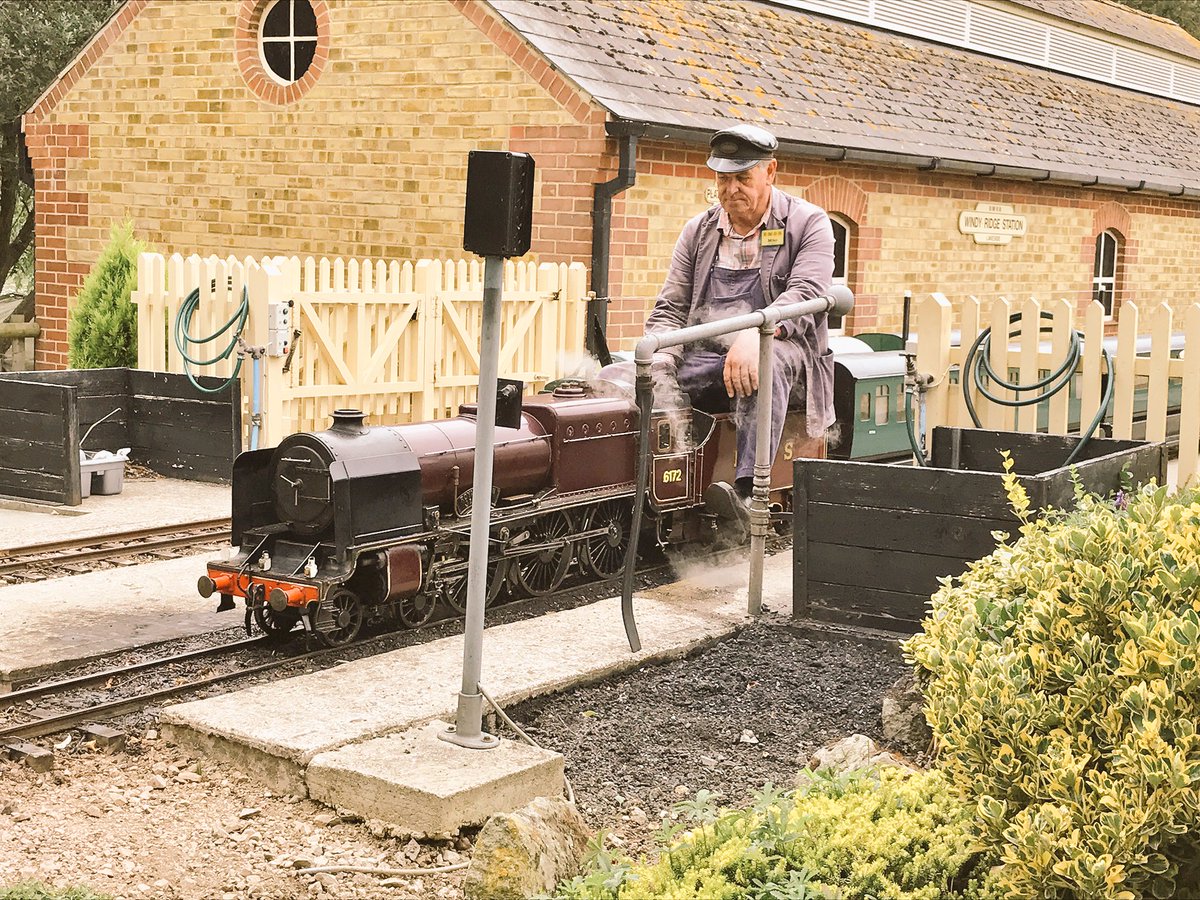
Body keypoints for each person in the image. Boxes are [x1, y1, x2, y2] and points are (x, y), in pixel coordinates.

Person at [643, 123, 836, 514]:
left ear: (771, 171)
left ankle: (751, 490)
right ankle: (656, 482)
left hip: (787, 350)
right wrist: (658, 360)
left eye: (743, 178)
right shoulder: (698, 231)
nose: (731, 190)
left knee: (767, 359)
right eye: (723, 179)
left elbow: (806, 295)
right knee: (646, 377)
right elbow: (672, 307)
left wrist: (755, 334)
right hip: (708, 354)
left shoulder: (809, 223)